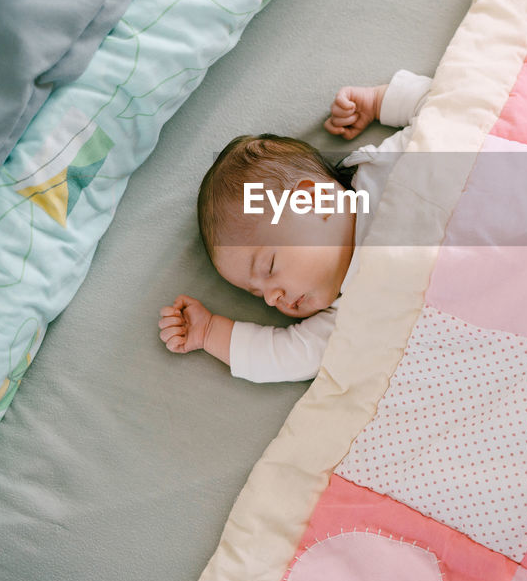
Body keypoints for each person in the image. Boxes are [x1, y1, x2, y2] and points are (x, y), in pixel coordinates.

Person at [157, 70, 431, 381]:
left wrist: (380, 100)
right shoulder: (351, 311)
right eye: (257, 294)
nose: (273, 299)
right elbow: (291, 356)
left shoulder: (384, 168)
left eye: (270, 266)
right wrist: (209, 332)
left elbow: (450, 108)